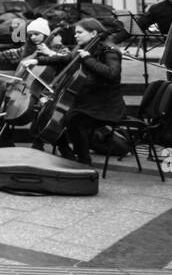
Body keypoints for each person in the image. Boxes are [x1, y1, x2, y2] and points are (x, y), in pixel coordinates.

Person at [35, 18, 125, 165]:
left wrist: (88, 59)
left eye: (79, 32)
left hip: (105, 105)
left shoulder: (109, 51)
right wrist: (38, 61)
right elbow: (66, 59)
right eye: (76, 32)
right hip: (86, 100)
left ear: (93, 33)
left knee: (74, 120)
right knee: (53, 115)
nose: (75, 35)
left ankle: (84, 161)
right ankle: (68, 153)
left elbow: (112, 74)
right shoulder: (82, 48)